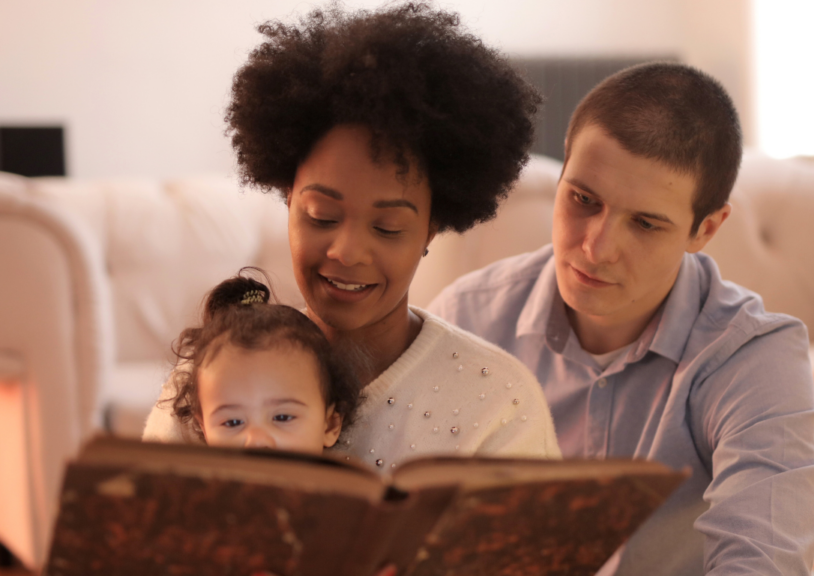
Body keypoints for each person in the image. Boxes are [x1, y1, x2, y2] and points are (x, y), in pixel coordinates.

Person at [429, 63, 814, 575]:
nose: (596, 248)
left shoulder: (752, 354)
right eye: (583, 200)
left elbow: (763, 560)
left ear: (705, 229)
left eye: (644, 223)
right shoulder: (469, 318)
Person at [143, 2, 561, 470]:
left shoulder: (498, 400)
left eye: (387, 228)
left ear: (432, 227)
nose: (346, 252)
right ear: (287, 200)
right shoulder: (214, 379)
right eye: (322, 216)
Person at [165, 274, 361, 455]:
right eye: (233, 422)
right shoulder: (193, 492)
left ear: (329, 425)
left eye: (282, 418)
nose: (257, 441)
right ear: (204, 429)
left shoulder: (344, 492)